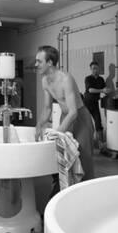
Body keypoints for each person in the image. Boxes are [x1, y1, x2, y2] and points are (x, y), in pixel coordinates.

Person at [34, 45, 95, 198]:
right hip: (65, 116)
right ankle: (61, 192)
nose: (36, 65)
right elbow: (47, 108)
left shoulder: (65, 79)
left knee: (84, 157)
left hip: (80, 117)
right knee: (62, 155)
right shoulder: (45, 81)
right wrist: (39, 125)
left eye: (39, 61)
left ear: (50, 62)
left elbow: (74, 111)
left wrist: (57, 132)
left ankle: (87, 197)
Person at [83, 61, 111, 153]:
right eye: (93, 68)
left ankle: (101, 146)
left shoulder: (101, 79)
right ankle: (85, 145)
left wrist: (107, 91)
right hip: (86, 103)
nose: (95, 70)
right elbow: (90, 90)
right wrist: (102, 90)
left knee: (98, 124)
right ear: (91, 69)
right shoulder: (88, 79)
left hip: (95, 104)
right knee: (86, 125)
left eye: (97, 68)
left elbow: (104, 90)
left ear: (99, 69)